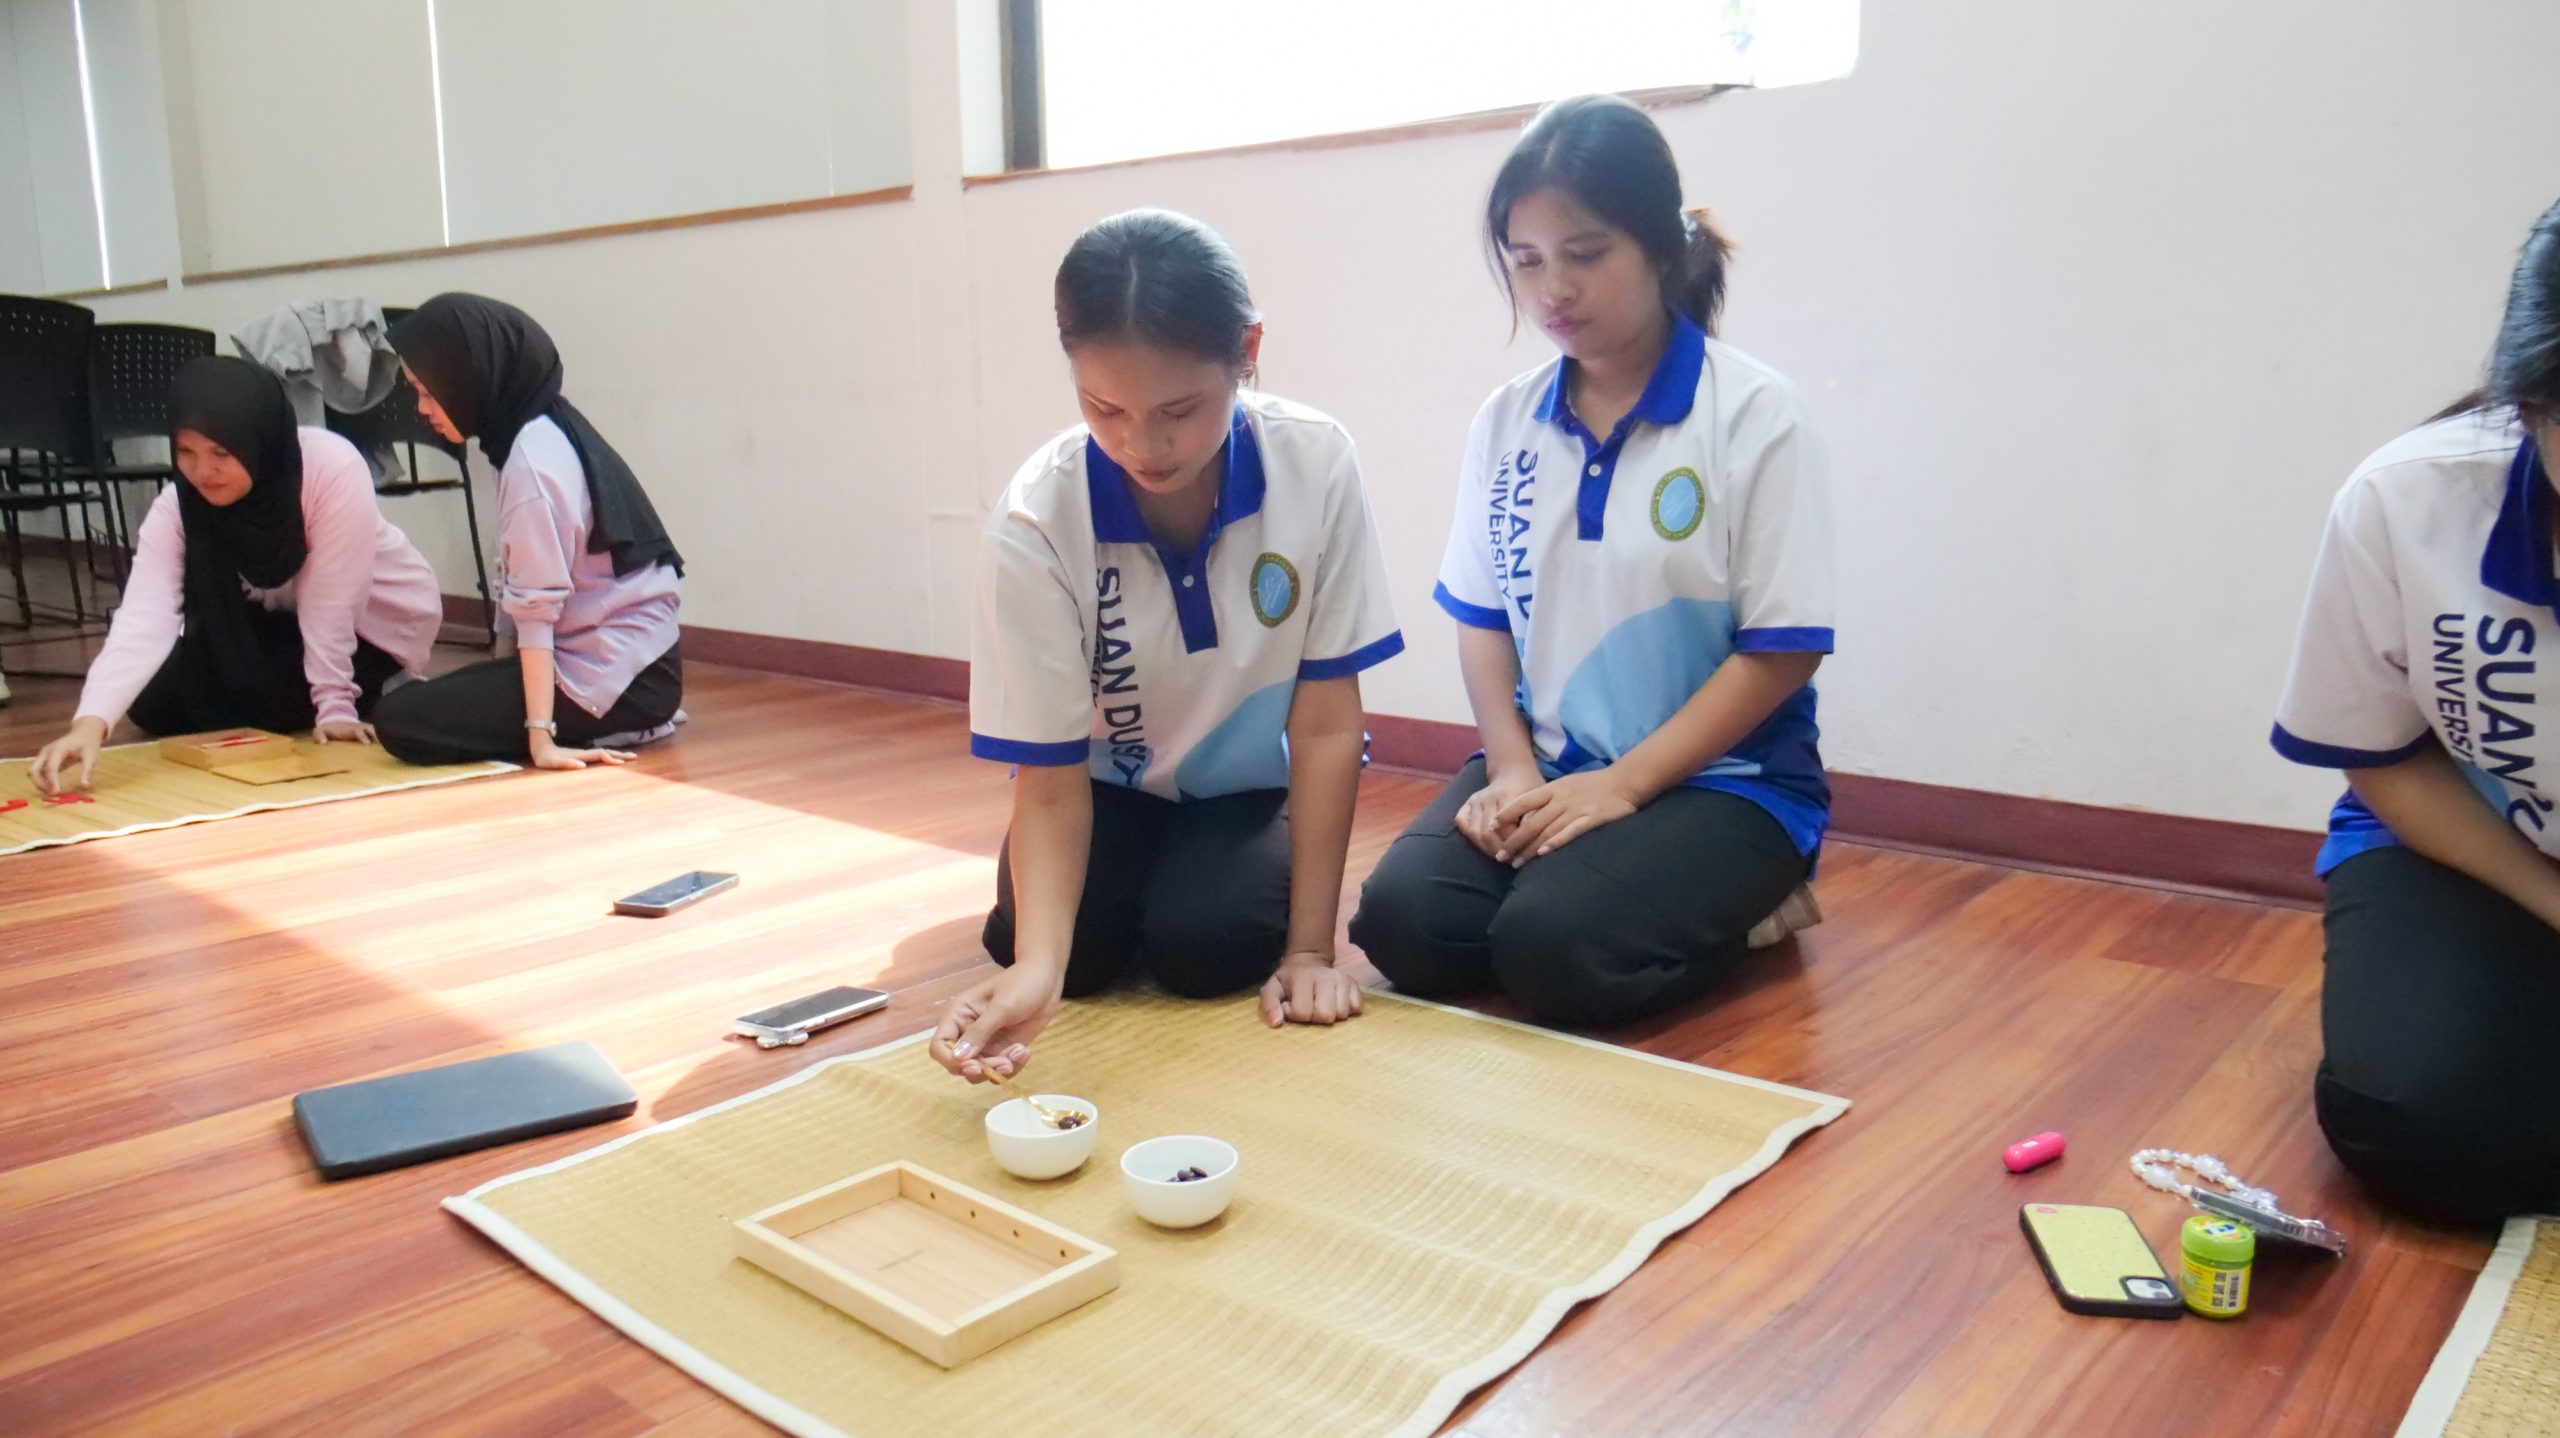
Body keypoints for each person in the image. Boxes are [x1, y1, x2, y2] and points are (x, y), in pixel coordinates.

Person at [1349, 94, 1833, 1028]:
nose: (1553, 291)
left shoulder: (1754, 414)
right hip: (1552, 763)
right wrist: (1510, 769)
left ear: (1660, 247)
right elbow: (1482, 619)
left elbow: (1783, 651)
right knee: (1405, 927)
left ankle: (1759, 901)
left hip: (1727, 785)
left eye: (1585, 253)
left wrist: (1622, 786)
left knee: (1553, 950)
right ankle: (1584, 886)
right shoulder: (1506, 420)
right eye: (1526, 261)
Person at [933, 209, 1404, 1084]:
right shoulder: (1037, 520)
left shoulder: (1317, 464)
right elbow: (1048, 781)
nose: (1142, 446)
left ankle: (1193, 890)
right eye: (1103, 408)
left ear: (1247, 351)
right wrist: (1038, 968)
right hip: (1100, 790)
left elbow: (1328, 724)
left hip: (1248, 791)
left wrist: (1311, 951)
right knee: (1073, 954)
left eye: (1179, 411)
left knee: (1207, 944)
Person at [2269, 196, 2560, 1224]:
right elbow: (2386, 758)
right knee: (2409, 1117)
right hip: (2478, 843)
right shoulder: (2412, 499)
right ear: (2528, 406)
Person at [28, 357, 439, 794]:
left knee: (262, 699)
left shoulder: (329, 468)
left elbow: (333, 599)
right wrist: (89, 723)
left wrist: (335, 705)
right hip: (276, 623)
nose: (203, 472)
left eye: (221, 453)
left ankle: (383, 685)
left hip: (371, 625)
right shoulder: (180, 506)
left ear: (257, 441)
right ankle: (286, 695)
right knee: (154, 698)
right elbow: (144, 616)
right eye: (186, 453)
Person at [371, 294, 684, 770]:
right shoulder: (534, 427)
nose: (422, 409)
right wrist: (498, 676)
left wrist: (542, 741)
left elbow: (537, 608)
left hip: (619, 680)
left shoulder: (532, 464)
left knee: (399, 719)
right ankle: (613, 720)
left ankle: (607, 724)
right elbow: (516, 584)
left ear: (469, 379)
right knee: (431, 697)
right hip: (638, 667)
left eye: (429, 393)